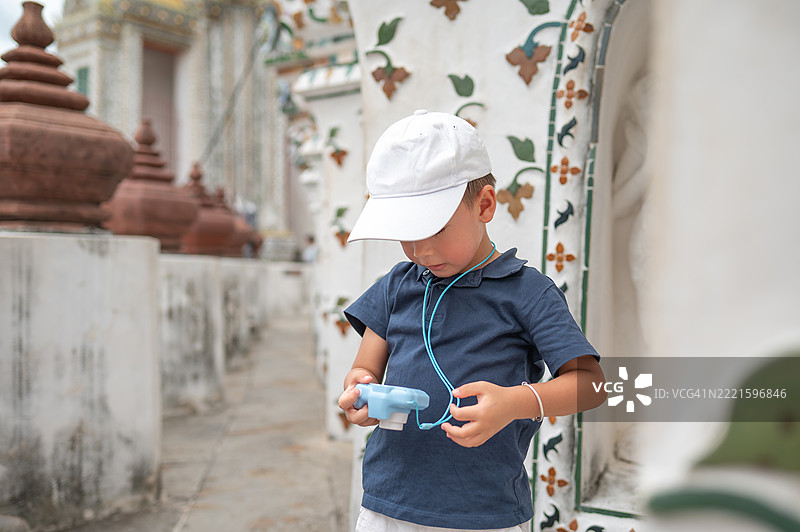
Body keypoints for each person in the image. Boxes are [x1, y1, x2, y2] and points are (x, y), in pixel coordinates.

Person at [338, 110, 606, 531]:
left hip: (484, 513)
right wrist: (361, 393)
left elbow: (590, 385)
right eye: (407, 234)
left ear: (484, 205)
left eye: (436, 228)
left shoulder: (528, 293)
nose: (421, 250)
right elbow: (364, 368)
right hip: (386, 506)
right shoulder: (397, 285)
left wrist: (516, 403)